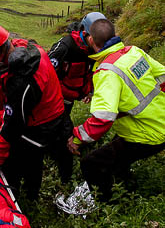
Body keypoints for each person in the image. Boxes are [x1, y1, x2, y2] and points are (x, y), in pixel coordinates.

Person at [0, 22, 73, 200]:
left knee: (22, 160)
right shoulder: (28, 47)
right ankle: (32, 191)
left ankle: (22, 196)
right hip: (54, 111)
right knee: (34, 158)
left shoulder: (22, 81)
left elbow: (12, 125)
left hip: (42, 124)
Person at [67, 18, 165, 201]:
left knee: (91, 163)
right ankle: (125, 182)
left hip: (148, 135)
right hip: (160, 121)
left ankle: (107, 204)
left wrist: (77, 138)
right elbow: (163, 78)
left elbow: (102, 120)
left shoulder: (106, 72)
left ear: (90, 40)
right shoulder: (135, 52)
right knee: (116, 154)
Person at [48, 12, 106, 115]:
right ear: (84, 33)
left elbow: (92, 71)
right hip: (55, 98)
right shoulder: (65, 46)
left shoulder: (95, 49)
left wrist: (90, 91)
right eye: (95, 38)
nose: (99, 43)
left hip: (71, 97)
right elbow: (47, 70)